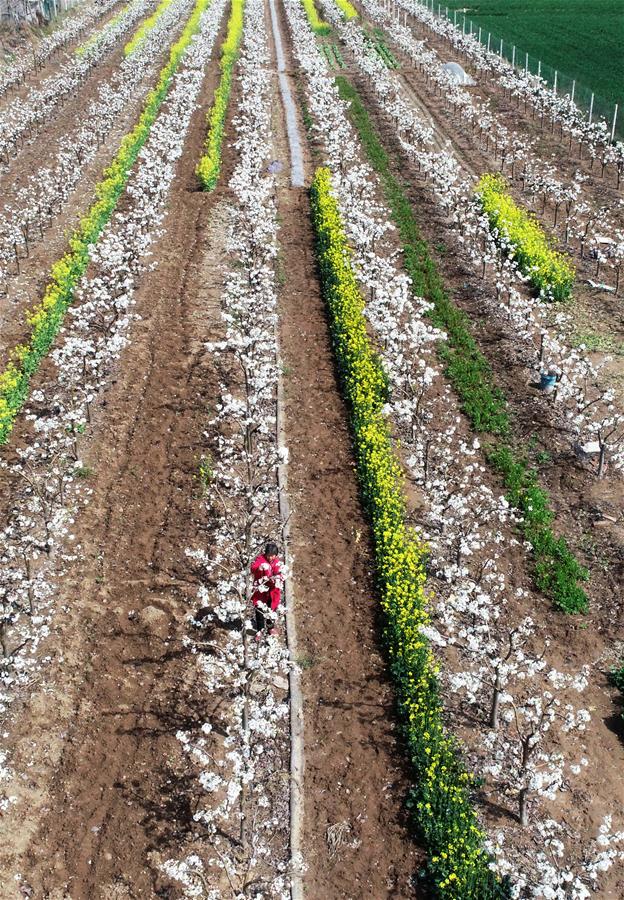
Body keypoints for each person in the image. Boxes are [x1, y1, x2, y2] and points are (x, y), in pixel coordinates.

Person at [251, 542, 283, 641]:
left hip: (272, 591)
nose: (270, 558)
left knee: (271, 609)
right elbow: (253, 568)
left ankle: (270, 627)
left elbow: (280, 572)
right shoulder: (260, 560)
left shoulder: (277, 563)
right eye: (269, 555)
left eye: (272, 555)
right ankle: (260, 629)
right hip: (261, 591)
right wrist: (260, 568)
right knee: (259, 611)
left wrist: (278, 578)